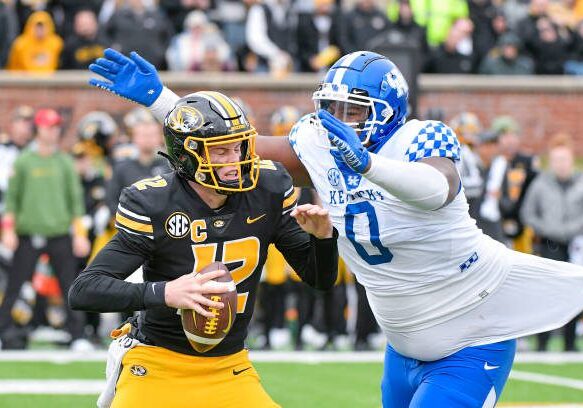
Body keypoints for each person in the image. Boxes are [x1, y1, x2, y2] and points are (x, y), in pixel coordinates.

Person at [88, 48, 583, 406]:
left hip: (473, 326)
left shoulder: (419, 138)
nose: (338, 120)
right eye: (332, 107)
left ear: (389, 110)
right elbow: (234, 147)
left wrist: (366, 164)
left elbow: (437, 188)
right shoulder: (321, 143)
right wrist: (162, 100)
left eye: (353, 110)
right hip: (404, 339)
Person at [68, 92, 339, 407]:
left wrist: (322, 239)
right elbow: (84, 290)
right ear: (187, 156)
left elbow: (320, 279)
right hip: (157, 362)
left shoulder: (267, 189)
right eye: (220, 152)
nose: (234, 160)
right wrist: (164, 292)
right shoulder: (155, 202)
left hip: (229, 365)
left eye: (238, 148)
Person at [0, 108, 91, 350]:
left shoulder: (64, 162)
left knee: (69, 286)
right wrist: (8, 230)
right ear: (38, 129)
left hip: (60, 233)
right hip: (27, 234)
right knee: (14, 285)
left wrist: (79, 235)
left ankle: (77, 334)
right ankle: (3, 331)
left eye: (56, 127)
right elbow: (12, 200)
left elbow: (75, 202)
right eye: (48, 126)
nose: (53, 131)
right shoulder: (23, 161)